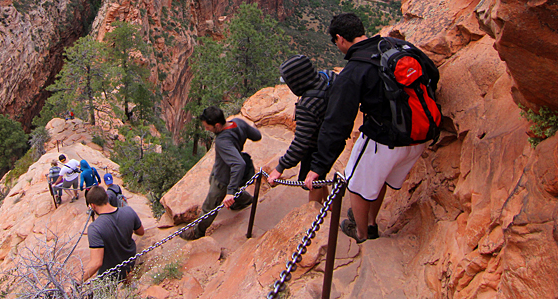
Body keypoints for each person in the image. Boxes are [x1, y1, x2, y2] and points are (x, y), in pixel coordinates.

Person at [303, 13, 435, 243]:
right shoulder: (397, 45)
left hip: (385, 140)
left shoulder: (354, 71)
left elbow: (336, 124)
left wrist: (318, 167)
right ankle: (371, 221)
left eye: (335, 43)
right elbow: (433, 73)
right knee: (379, 178)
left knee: (355, 185)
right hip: (419, 135)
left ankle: (362, 232)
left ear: (340, 39)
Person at [180, 106, 262, 240]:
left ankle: (197, 232)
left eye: (208, 127)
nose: (206, 130)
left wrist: (230, 192)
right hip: (224, 169)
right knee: (215, 183)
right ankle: (244, 200)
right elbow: (257, 136)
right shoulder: (238, 122)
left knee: (209, 206)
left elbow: (238, 163)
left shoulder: (222, 140)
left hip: (223, 177)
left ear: (217, 125)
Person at [267, 55, 333, 203]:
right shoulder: (328, 77)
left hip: (316, 145)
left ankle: (314, 214)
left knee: (313, 181)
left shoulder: (307, 105)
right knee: (320, 175)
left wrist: (280, 167)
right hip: (330, 136)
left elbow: (301, 143)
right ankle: (328, 205)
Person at [83, 185, 144, 282]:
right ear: (107, 197)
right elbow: (140, 232)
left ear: (93, 206)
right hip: (130, 263)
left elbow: (96, 262)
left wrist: (76, 281)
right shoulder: (129, 211)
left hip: (110, 274)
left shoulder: (94, 228)